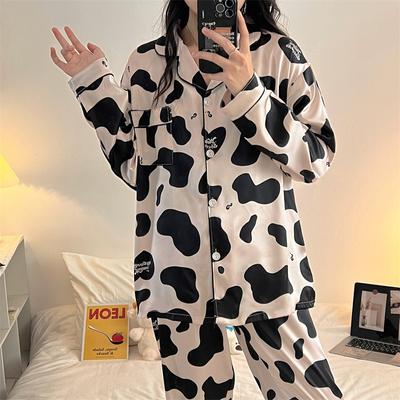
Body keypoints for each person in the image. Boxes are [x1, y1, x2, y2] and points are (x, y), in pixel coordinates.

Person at [51, 0, 344, 399]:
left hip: (267, 274)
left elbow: (316, 157)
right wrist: (93, 84)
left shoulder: (277, 55)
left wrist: (250, 91)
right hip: (178, 279)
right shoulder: (147, 64)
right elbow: (136, 169)